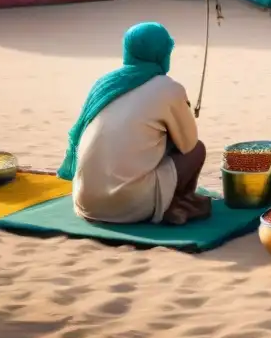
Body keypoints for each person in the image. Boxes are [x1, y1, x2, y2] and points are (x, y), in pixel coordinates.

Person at [58, 22, 210, 226]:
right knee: (197, 150)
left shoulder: (105, 84)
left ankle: (171, 203)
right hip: (130, 205)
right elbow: (188, 145)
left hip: (86, 203)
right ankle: (174, 203)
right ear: (164, 52)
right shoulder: (168, 88)